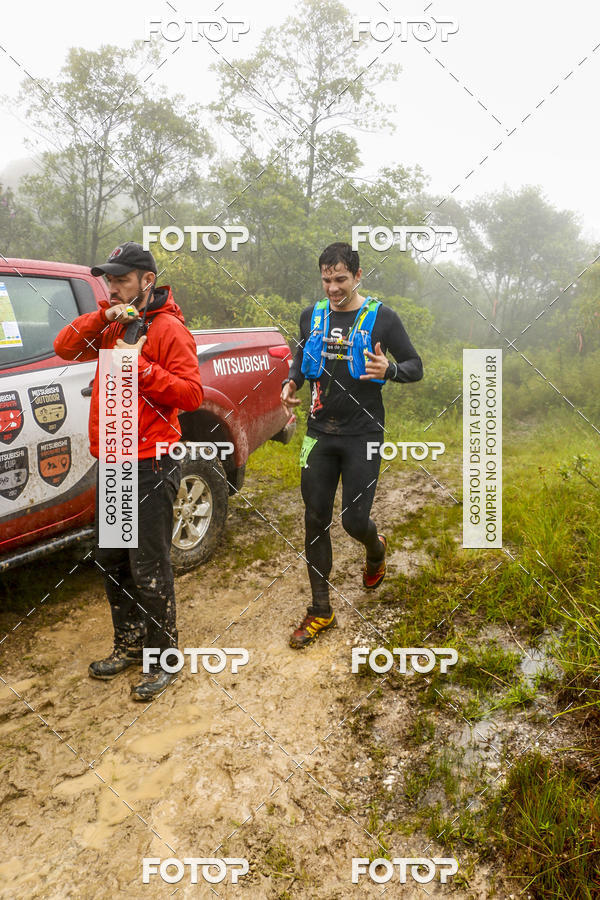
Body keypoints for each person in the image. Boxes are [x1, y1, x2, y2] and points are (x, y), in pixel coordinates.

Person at [54, 242, 203, 700]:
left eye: (122, 279)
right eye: (110, 280)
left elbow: (192, 395)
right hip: (115, 458)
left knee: (148, 565)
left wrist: (141, 367)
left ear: (146, 281)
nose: (113, 287)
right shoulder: (111, 323)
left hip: (152, 461)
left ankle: (164, 657)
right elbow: (63, 348)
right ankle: (132, 643)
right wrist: (103, 318)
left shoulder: (168, 328)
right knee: (114, 560)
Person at [281, 242, 423, 648]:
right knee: (314, 518)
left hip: (364, 434)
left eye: (340, 279)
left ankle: (375, 549)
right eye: (326, 279)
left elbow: (415, 366)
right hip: (319, 432)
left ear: (358, 276)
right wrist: (291, 382)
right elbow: (300, 357)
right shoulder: (313, 315)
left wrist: (390, 368)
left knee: (353, 521)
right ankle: (320, 610)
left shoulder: (383, 318)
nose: (332, 288)